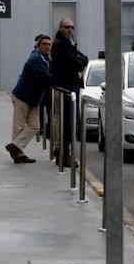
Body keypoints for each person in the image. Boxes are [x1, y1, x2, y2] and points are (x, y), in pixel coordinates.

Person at [6, 35, 55, 163]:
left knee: (35, 125)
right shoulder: (35, 58)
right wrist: (57, 80)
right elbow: (43, 77)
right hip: (22, 97)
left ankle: (15, 146)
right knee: (19, 127)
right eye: (44, 44)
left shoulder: (45, 59)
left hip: (32, 99)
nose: (47, 46)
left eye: (49, 44)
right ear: (38, 46)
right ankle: (18, 153)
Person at [50, 18, 89, 167]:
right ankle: (64, 156)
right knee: (67, 123)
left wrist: (81, 59)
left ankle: (63, 154)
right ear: (60, 28)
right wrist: (81, 60)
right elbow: (79, 64)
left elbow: (82, 58)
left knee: (68, 123)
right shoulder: (60, 45)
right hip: (66, 88)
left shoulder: (67, 44)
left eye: (72, 27)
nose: (70, 30)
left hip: (69, 87)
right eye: (67, 27)